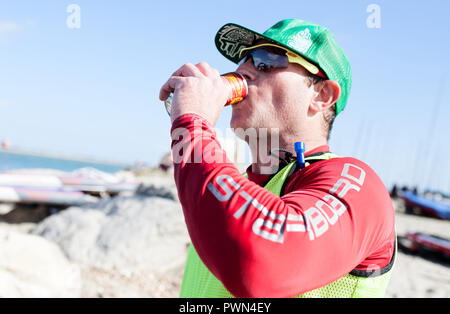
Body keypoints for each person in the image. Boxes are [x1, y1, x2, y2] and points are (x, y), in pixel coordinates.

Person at [159, 19, 396, 298]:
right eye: (244, 58)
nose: (242, 69)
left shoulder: (359, 185)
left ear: (322, 95)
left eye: (266, 60)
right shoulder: (231, 188)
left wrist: (193, 123)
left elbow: (261, 264)